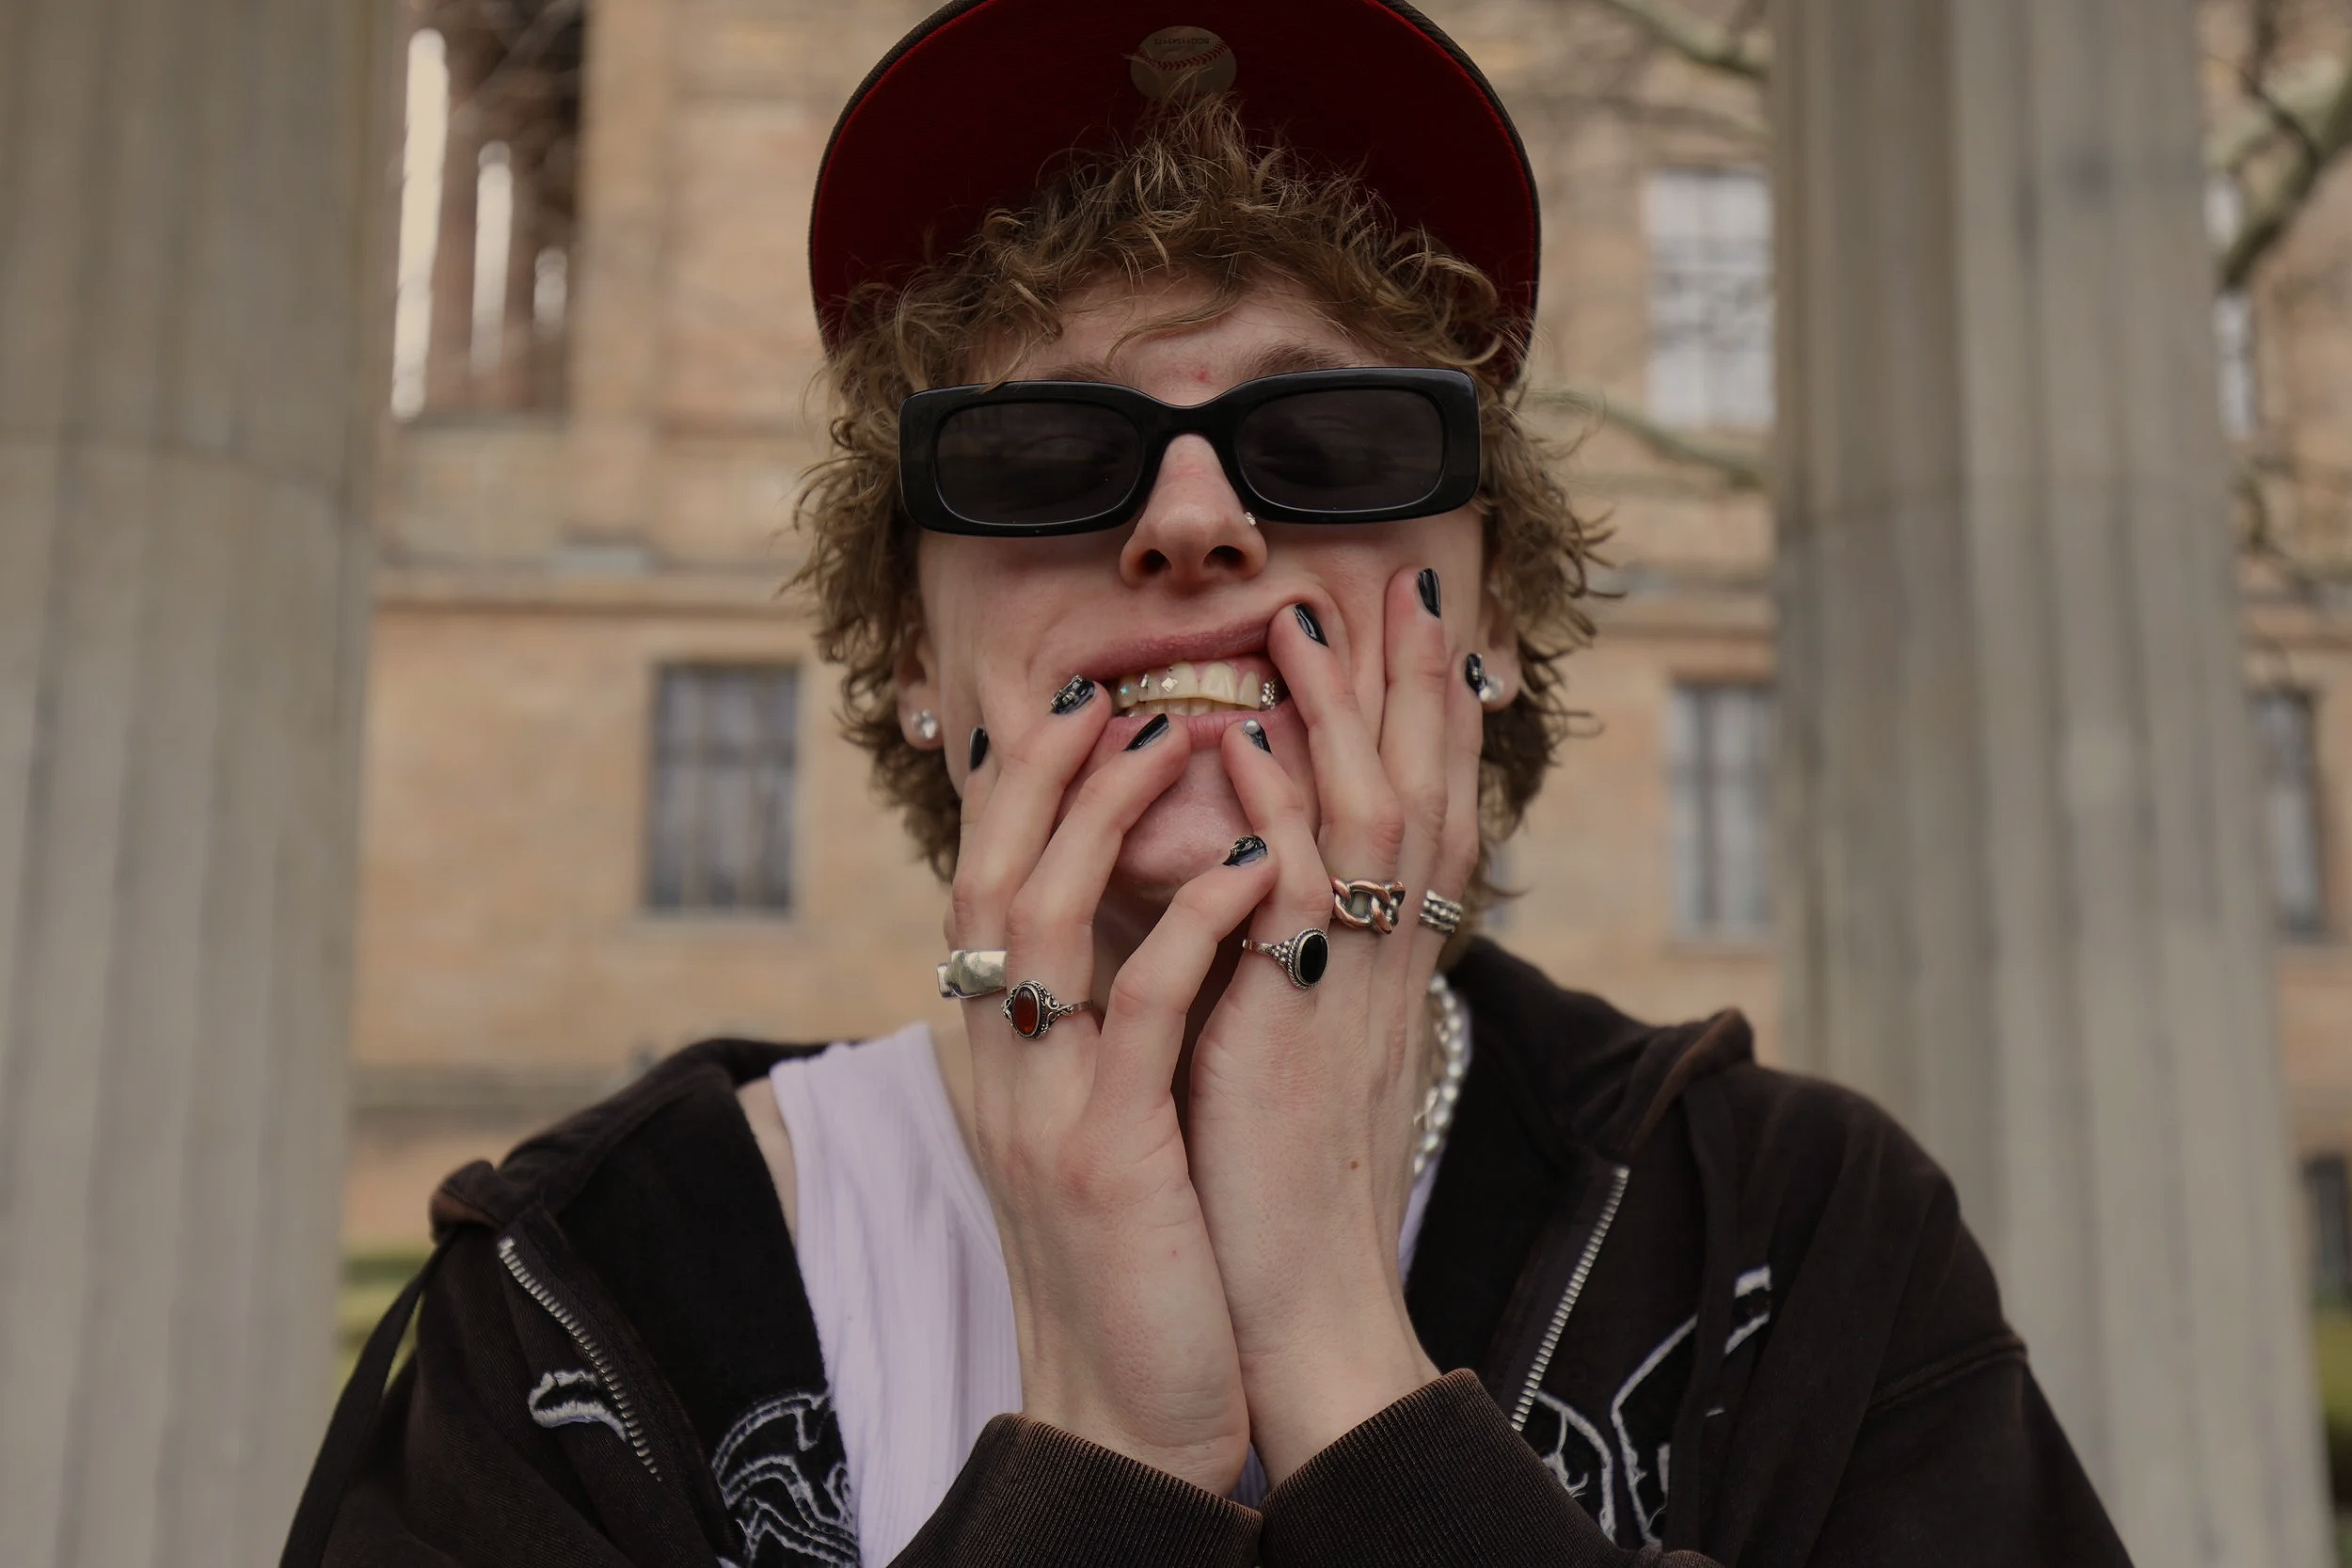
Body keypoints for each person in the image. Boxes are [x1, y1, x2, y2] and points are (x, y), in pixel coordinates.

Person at [285, 3, 2134, 1564]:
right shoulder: (578, 1289)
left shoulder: (1795, 1236)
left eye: (1328, 439)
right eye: (1042, 453)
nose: (1189, 516)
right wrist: (1107, 1456)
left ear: (1491, 614)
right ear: (914, 653)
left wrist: (1340, 1355)